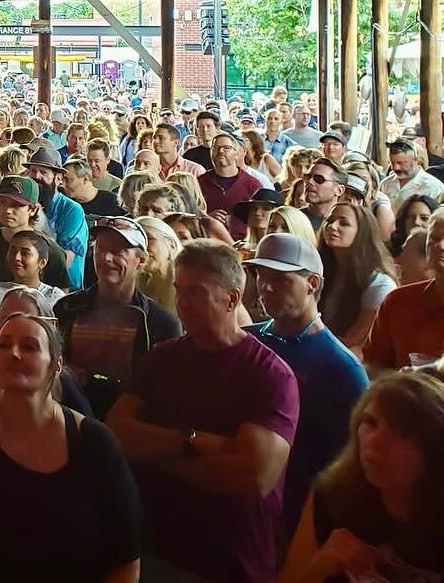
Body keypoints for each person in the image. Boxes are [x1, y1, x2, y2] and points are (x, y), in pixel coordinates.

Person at [108, 239, 300, 582]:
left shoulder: (269, 374)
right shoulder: (161, 358)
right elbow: (117, 431)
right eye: (179, 290)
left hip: (233, 561)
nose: (182, 303)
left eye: (196, 292)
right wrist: (192, 442)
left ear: (232, 298)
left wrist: (154, 452)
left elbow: (253, 476)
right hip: (159, 548)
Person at [0, 311, 143, 583]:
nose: (13, 354)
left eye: (29, 346)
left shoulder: (96, 444)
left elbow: (127, 558)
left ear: (57, 365)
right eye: (3, 345)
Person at [243, 233, 369, 537]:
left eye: (281, 279)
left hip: (294, 521)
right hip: (239, 506)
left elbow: (347, 469)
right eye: (262, 276)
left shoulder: (342, 369)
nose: (266, 287)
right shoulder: (247, 340)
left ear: (313, 284)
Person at [281, 372, 444, 581]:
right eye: (370, 422)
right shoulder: (332, 495)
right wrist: (320, 566)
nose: (374, 442)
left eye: (400, 433)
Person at [54, 217, 183, 418]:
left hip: (131, 423)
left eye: (117, 252)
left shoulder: (160, 322)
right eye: (101, 249)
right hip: (69, 419)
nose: (106, 258)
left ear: (141, 260)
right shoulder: (67, 308)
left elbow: (166, 391)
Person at [362, 213, 444, 373]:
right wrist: (402, 382)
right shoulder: (397, 301)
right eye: (434, 238)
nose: (440, 245)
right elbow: (371, 364)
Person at [318, 202, 398, 353]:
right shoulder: (322, 270)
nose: (332, 226)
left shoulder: (380, 284)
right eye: (329, 220)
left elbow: (354, 341)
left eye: (344, 223)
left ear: (362, 233)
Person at [0, 229, 67, 329]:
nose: (17, 257)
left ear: (42, 262)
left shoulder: (54, 298)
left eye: (25, 253)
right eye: (13, 251)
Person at [25, 145, 88, 288]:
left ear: (58, 178)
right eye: (33, 171)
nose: (37, 177)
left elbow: (66, 259)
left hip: (66, 292)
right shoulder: (24, 206)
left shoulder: (72, 210)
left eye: (44, 172)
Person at [200, 131, 265, 237]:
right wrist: (206, 217)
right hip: (209, 243)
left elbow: (261, 219)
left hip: (242, 243)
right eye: (216, 147)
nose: (221, 151)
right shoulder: (199, 182)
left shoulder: (253, 185)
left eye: (226, 148)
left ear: (236, 153)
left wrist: (235, 222)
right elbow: (190, 215)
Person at [380, 139, 444, 212]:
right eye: (392, 163)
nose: (395, 167)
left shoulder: (434, 187)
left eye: (400, 163)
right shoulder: (385, 184)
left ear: (416, 160)